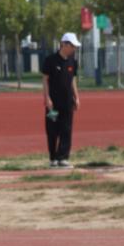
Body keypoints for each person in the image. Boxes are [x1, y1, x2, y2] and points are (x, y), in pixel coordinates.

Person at [42, 32, 81, 169]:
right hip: (52, 104)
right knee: (52, 130)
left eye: (75, 46)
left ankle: (63, 158)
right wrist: (47, 98)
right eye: (72, 46)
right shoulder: (50, 60)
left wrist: (76, 97)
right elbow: (45, 80)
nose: (74, 49)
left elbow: (73, 80)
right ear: (64, 44)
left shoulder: (73, 62)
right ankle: (53, 158)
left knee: (66, 129)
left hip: (67, 102)